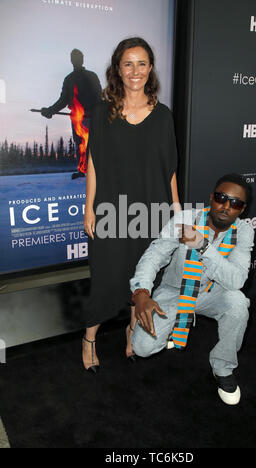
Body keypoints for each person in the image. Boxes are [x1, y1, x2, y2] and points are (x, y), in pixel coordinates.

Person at [83, 37, 180, 373]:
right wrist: (89, 206)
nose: (135, 70)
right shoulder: (101, 113)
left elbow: (169, 169)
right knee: (107, 278)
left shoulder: (163, 116)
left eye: (142, 63)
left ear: (150, 69)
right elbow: (93, 162)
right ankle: (90, 338)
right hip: (112, 210)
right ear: (118, 70)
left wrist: (177, 211)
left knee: (142, 277)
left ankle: (131, 329)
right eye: (128, 63)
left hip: (152, 211)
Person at [130, 174, 255, 405]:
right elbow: (154, 255)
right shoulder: (185, 220)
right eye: (221, 198)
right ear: (211, 197)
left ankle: (223, 367)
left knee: (238, 303)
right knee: (142, 347)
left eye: (235, 203)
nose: (226, 206)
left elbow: (236, 280)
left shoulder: (244, 232)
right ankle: (173, 325)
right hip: (175, 291)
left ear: (243, 209)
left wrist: (203, 245)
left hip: (213, 292)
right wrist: (141, 292)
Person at [41, 49, 102, 177]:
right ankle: (82, 170)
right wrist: (50, 110)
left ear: (83, 59)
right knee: (79, 143)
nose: (76, 60)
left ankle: (96, 171)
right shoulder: (69, 79)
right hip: (76, 118)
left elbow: (98, 96)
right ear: (71, 60)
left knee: (93, 143)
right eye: (74, 58)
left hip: (92, 116)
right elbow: (63, 100)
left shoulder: (91, 76)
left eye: (79, 57)